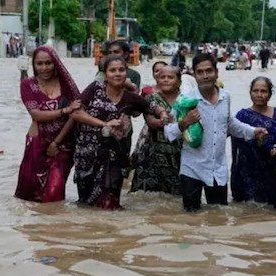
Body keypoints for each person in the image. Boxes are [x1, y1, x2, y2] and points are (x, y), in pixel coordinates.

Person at [164, 53, 268, 212]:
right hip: (191, 168)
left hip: (217, 169)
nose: (205, 76)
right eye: (200, 72)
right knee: (190, 218)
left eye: (209, 71)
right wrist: (184, 123)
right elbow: (168, 132)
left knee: (218, 217)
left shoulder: (225, 97)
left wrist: (254, 131)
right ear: (195, 75)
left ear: (216, 73)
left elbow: (229, 124)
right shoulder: (184, 100)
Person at [71, 55, 169, 210]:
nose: (117, 73)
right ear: (105, 74)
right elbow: (75, 112)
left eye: (121, 70)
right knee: (86, 204)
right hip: (88, 156)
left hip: (115, 158)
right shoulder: (95, 89)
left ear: (126, 73)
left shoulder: (130, 98)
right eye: (112, 70)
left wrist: (162, 113)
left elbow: (150, 106)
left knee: (111, 206)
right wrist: (104, 124)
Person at [15, 45, 81, 202]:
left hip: (64, 143)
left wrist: (56, 143)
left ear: (55, 63)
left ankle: (55, 225)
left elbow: (77, 112)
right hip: (37, 142)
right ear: (34, 65)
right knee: (31, 192)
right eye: (39, 64)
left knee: (54, 191)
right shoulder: (27, 85)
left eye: (48, 63)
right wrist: (64, 111)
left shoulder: (66, 84)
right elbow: (36, 114)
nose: (44, 68)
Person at [230, 77, 276, 206]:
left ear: (270, 94)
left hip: (273, 170)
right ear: (250, 93)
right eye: (255, 91)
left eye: (263, 91)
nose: (259, 95)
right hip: (248, 173)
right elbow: (233, 134)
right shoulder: (242, 116)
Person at [130, 66, 183, 195]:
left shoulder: (185, 100)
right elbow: (150, 120)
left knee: (176, 198)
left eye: (170, 77)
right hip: (152, 155)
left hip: (178, 155)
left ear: (179, 82)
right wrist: (162, 122)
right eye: (162, 77)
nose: (165, 80)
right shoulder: (151, 99)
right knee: (145, 197)